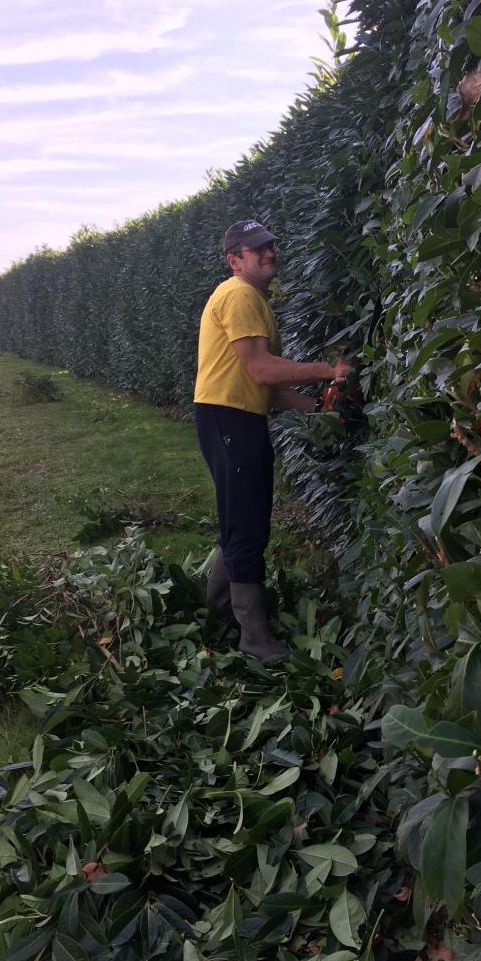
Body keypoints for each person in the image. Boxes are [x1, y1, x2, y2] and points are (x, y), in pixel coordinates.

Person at [193, 219, 350, 662]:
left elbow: (269, 387)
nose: (268, 253)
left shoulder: (252, 299)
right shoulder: (239, 295)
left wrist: (318, 408)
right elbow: (263, 370)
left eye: (270, 246)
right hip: (229, 419)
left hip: (232, 416)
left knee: (241, 518)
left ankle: (221, 611)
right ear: (234, 259)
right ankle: (255, 639)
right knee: (247, 524)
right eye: (256, 249)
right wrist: (328, 370)